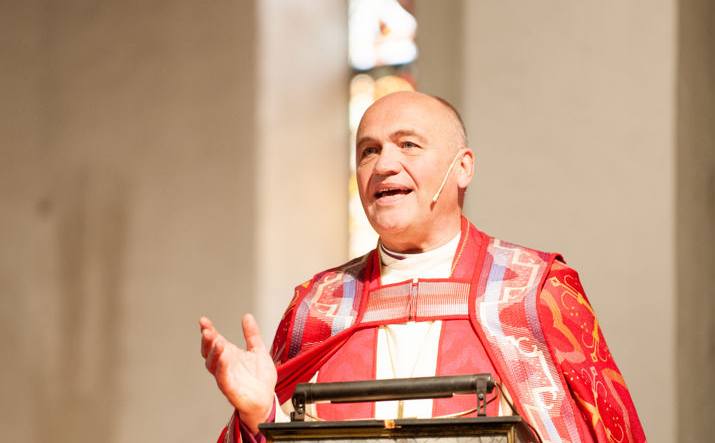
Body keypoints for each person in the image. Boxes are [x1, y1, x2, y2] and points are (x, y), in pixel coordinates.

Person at [200, 91, 646, 443]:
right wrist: (261, 416)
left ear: (463, 167)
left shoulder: (533, 292)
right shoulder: (317, 308)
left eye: (407, 145)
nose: (384, 165)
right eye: (368, 151)